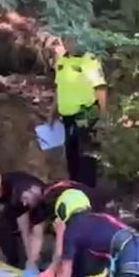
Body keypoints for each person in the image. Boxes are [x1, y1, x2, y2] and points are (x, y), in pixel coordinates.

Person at [52, 35, 108, 187]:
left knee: (86, 156)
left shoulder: (89, 60)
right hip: (67, 117)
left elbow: (100, 87)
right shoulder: (62, 61)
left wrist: (103, 116)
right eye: (65, 39)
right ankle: (75, 187)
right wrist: (53, 111)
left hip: (85, 113)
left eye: (71, 39)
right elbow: (59, 88)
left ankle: (89, 190)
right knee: (71, 156)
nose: (68, 43)